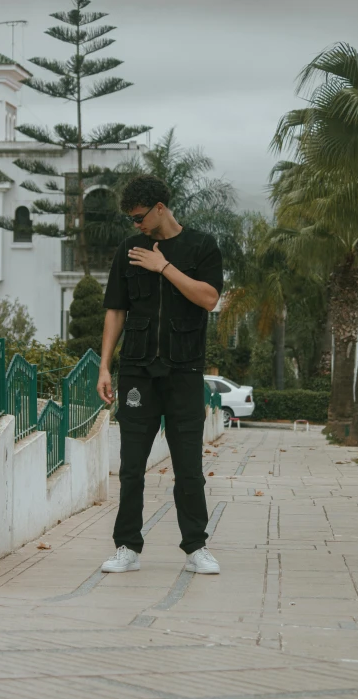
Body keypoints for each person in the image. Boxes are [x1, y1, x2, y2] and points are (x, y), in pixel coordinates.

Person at [97, 174, 223, 575]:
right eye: (132, 220)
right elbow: (116, 309)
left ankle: (196, 547)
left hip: (184, 371)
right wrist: (104, 365)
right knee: (131, 466)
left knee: (188, 467)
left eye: (139, 217)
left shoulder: (202, 246)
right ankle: (127, 547)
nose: (136, 226)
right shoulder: (129, 249)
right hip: (136, 372)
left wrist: (163, 265)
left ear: (160, 208)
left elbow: (209, 298)